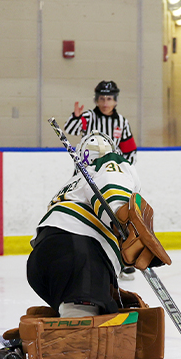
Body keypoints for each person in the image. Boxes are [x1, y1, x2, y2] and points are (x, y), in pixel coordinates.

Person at [0, 132, 171, 359]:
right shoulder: (112, 163)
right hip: (79, 251)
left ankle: (41, 332)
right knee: (83, 337)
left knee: (99, 314)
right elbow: (112, 186)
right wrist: (121, 218)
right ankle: (25, 351)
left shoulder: (73, 183)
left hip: (45, 259)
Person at [64, 80, 139, 280]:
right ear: (96, 100)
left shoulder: (121, 122)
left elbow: (130, 150)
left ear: (115, 100)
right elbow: (69, 129)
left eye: (109, 99)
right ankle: (82, 259)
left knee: (116, 218)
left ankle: (123, 261)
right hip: (86, 178)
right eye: (101, 99)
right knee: (84, 216)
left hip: (111, 178)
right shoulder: (88, 116)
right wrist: (76, 117)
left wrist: (123, 170)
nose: (105, 103)